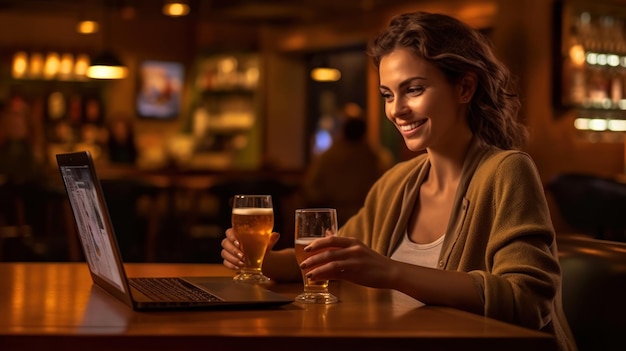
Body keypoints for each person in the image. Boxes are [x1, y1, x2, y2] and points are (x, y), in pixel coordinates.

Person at [221, 11, 576, 351]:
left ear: (465, 87)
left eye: (414, 90)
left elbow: (528, 300)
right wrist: (260, 260)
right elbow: (334, 255)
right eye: (388, 95)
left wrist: (390, 271)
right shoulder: (397, 182)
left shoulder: (506, 171)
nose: (396, 110)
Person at [303, 105, 392, 226]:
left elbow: (311, 188)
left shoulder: (328, 156)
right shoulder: (376, 157)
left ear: (343, 130)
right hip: (366, 218)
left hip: (333, 218)